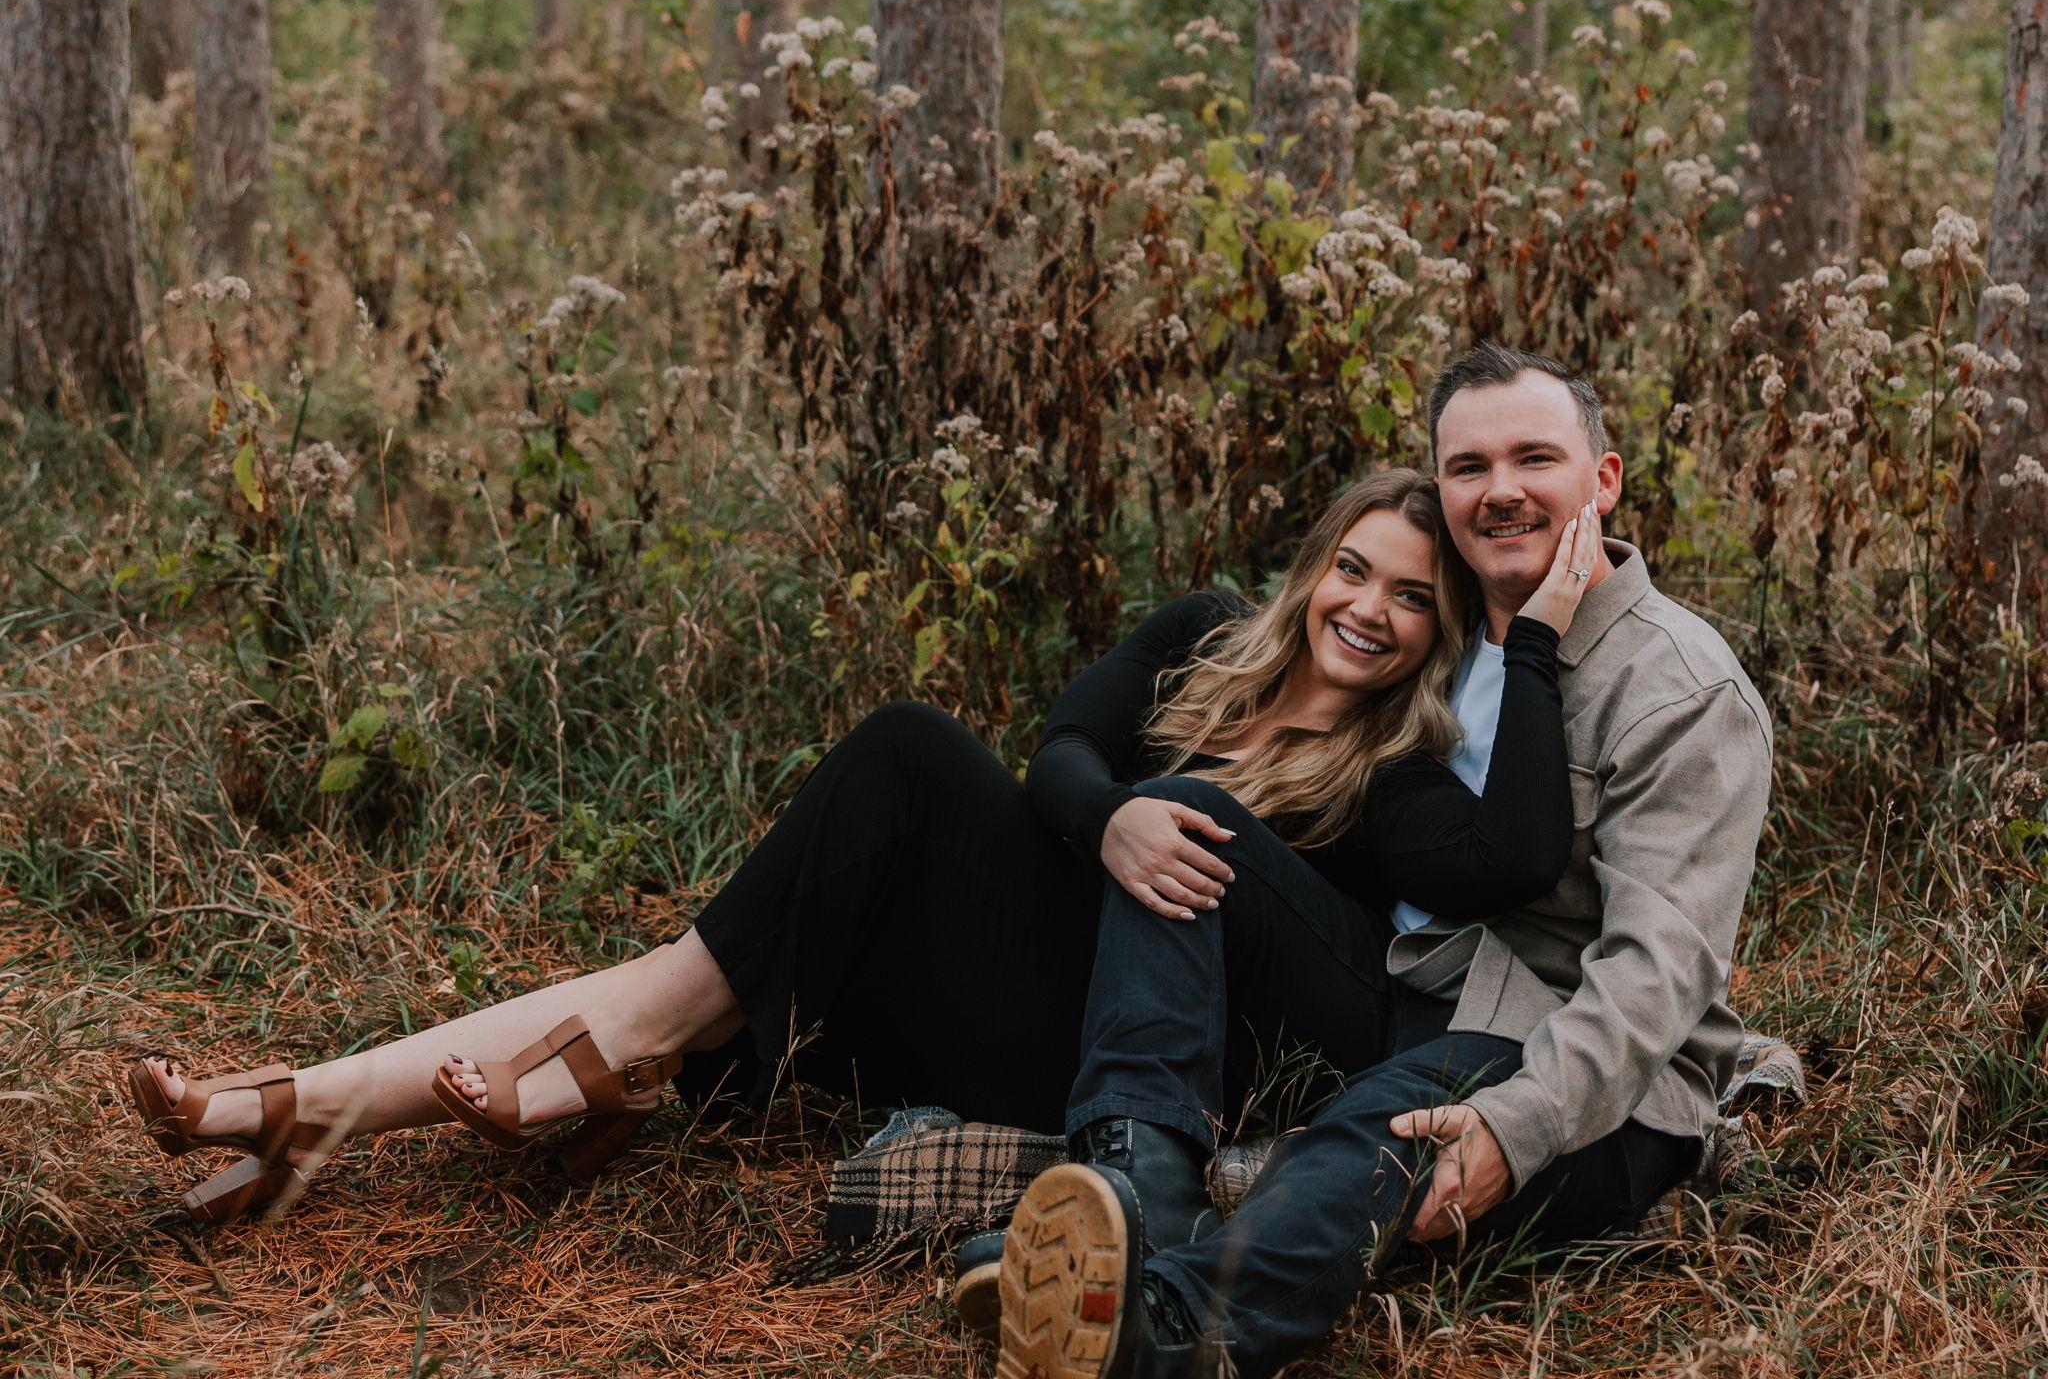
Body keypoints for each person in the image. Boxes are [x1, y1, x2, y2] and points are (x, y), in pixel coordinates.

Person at [121, 466, 1578, 1228]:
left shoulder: (1386, 782)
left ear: (1439, 637)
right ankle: (295, 1110)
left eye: (1412, 600)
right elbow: (1061, 756)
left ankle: (459, 1088)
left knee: (889, 772)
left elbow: (1514, 857)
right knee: (719, 945)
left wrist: (1535, 635)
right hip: (992, 974)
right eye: (1352, 569)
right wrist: (1115, 813)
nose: (1368, 609)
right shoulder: (1201, 636)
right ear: (1316, 565)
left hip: (1097, 1047)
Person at [995, 345, 1774, 1379]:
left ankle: (1166, 1324)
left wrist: (1515, 1125)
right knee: (1191, 818)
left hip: (1570, 1052)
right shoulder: (1434, 633)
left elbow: (1654, 975)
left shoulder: (1679, 690)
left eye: (1533, 458)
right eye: (1469, 466)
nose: (1499, 490)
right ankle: (1135, 1196)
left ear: (1603, 479)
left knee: (1389, 1125)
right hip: (1408, 990)